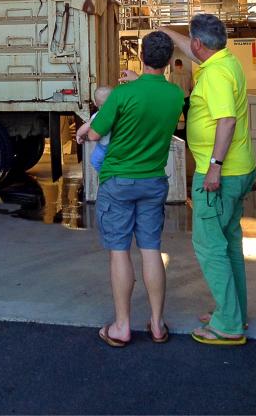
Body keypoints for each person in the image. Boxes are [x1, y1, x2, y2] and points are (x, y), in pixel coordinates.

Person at [77, 32, 183, 347]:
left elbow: (95, 133)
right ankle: (157, 323)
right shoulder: (175, 95)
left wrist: (86, 128)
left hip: (119, 183)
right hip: (153, 181)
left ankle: (122, 326)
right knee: (152, 250)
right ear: (167, 60)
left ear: (140, 54)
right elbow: (152, 96)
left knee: (120, 252)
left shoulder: (122, 95)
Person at [160, 15, 256, 346]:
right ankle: (234, 310)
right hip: (239, 169)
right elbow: (193, 48)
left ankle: (228, 324)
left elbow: (226, 121)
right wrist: (167, 32)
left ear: (200, 44)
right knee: (228, 244)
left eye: (192, 42)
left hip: (221, 174)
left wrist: (214, 167)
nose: (190, 46)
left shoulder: (214, 74)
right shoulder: (225, 60)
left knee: (209, 246)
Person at [76, 86, 113, 172]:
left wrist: (78, 134)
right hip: (117, 145)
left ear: (96, 104)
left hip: (104, 147)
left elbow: (87, 126)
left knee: (95, 161)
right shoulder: (119, 112)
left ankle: (105, 175)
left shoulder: (98, 115)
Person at [169, 58, 193, 127]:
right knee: (187, 118)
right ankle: (186, 134)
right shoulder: (188, 74)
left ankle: (176, 133)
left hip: (176, 98)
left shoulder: (172, 74)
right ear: (182, 64)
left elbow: (170, 88)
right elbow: (192, 87)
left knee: (175, 118)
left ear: (175, 64)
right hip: (186, 97)